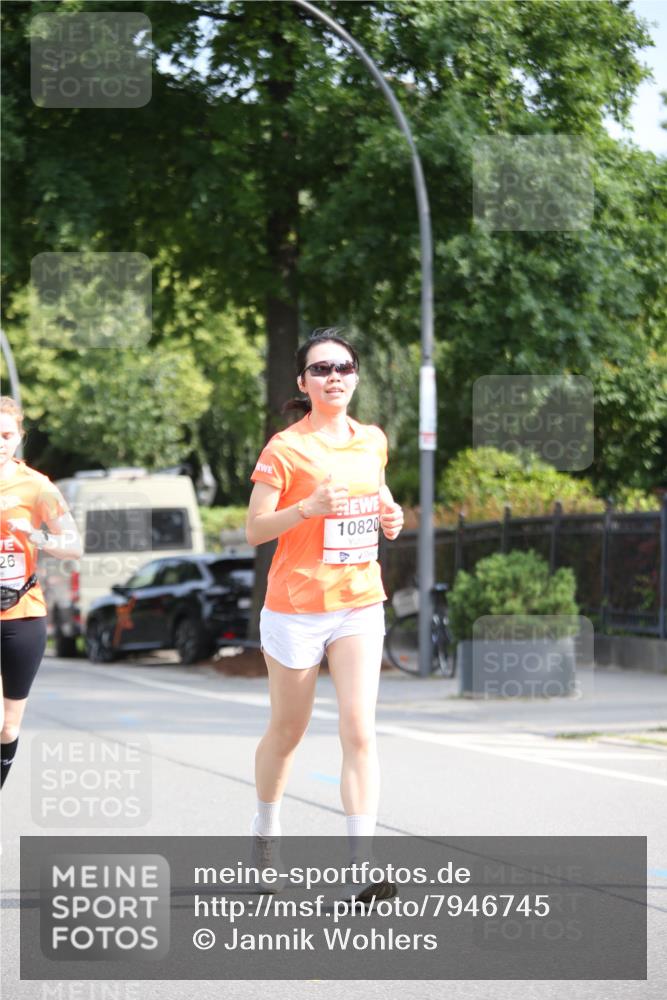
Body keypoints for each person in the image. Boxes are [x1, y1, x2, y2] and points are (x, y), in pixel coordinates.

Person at [246, 329, 404, 901]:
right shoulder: (284, 448)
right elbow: (255, 529)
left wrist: (390, 516)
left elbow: (377, 494)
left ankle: (363, 864)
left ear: (356, 377)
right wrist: (305, 508)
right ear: (303, 383)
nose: (333, 376)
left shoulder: (372, 440)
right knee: (288, 732)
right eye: (321, 369)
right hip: (296, 607)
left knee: (360, 729)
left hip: (359, 600)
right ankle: (266, 827)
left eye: (343, 367)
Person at [0, 396, 83, 790]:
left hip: (22, 612)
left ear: (19, 437)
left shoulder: (36, 486)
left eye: (6, 434)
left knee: (7, 725)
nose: (0, 441)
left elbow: (74, 545)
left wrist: (33, 535)